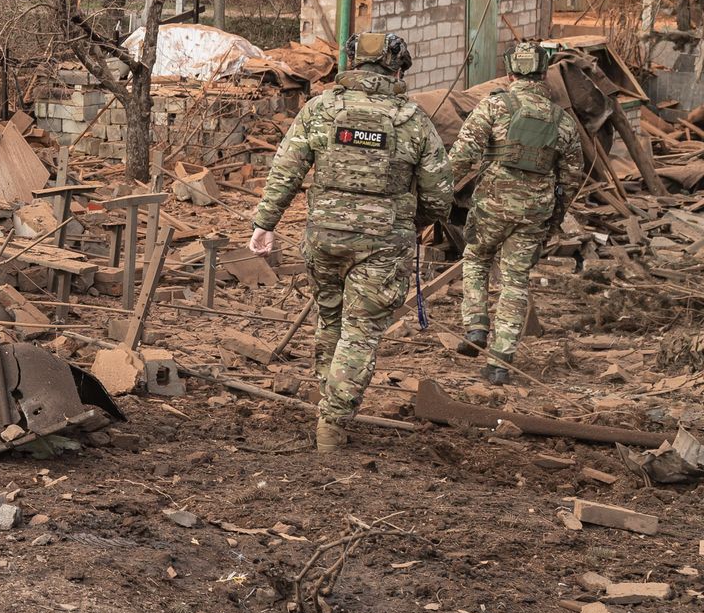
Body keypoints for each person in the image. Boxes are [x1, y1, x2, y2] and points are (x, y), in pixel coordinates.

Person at [249, 31, 452, 451]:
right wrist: (413, 223)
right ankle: (333, 423)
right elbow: (439, 194)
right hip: (383, 242)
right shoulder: (412, 120)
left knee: (331, 320)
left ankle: (330, 399)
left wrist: (264, 223)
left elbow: (286, 168)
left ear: (353, 63)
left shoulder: (320, 109)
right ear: (398, 68)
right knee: (360, 333)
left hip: (324, 238)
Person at [447, 41, 583, 385]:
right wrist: (554, 216)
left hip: (492, 204)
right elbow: (571, 176)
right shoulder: (562, 121)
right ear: (542, 73)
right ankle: (501, 360)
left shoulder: (494, 106)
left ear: (510, 72)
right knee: (515, 281)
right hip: (534, 212)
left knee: (476, 260)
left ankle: (476, 327)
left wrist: (436, 190)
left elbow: (462, 156)